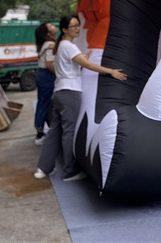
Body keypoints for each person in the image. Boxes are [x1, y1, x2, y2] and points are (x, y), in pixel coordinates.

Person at [34, 15, 127, 182]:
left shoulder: (61, 46)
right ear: (64, 29)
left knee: (55, 132)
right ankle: (69, 171)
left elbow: (77, 62)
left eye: (78, 25)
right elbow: (89, 65)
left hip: (59, 92)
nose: (77, 28)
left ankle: (43, 167)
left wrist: (84, 55)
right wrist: (111, 71)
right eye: (73, 26)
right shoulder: (68, 46)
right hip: (70, 93)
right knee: (68, 132)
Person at [33, 21, 58, 146]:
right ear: (47, 34)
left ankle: (40, 129)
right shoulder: (50, 44)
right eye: (51, 27)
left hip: (42, 75)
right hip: (46, 76)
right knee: (44, 104)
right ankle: (39, 134)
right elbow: (49, 64)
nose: (54, 27)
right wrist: (58, 75)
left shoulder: (46, 44)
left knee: (43, 103)